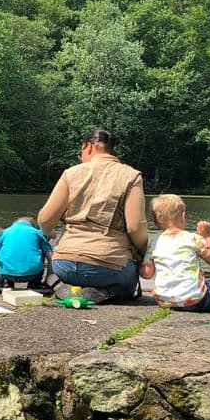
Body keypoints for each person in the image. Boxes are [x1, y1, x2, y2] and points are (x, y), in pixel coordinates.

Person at [37, 129, 148, 303]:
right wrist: (141, 254)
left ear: (89, 147)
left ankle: (63, 286)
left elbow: (44, 219)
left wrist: (49, 232)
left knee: (67, 273)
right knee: (128, 280)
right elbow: (135, 226)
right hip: (109, 267)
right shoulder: (131, 176)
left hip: (63, 264)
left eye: (80, 151)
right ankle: (108, 291)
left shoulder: (71, 173)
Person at [139, 194, 210, 311]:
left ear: (155, 222)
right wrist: (207, 236)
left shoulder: (154, 244)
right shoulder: (193, 239)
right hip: (194, 301)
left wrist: (137, 260)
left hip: (164, 301)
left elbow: (147, 274)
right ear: (183, 216)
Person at [0, 217, 53, 289]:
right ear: (33, 226)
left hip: (8, 274)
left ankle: (7, 283)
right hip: (32, 275)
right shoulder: (37, 232)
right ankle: (34, 284)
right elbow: (50, 256)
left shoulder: (5, 232)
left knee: (2, 251)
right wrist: (49, 277)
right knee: (43, 250)